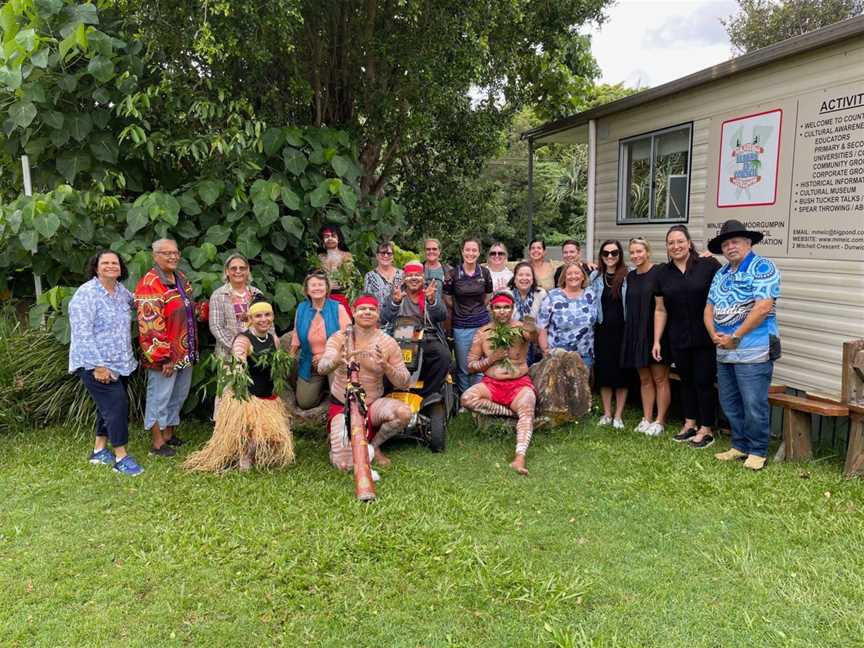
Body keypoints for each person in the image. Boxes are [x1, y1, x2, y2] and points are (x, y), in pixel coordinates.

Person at [705, 220, 781, 471]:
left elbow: (763, 307)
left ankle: (758, 451)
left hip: (754, 348)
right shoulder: (721, 273)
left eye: (735, 241)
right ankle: (739, 445)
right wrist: (713, 333)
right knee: (729, 402)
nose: (730, 247)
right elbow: (709, 308)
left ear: (748, 243)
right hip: (724, 349)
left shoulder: (763, 267)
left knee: (753, 402)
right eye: (725, 244)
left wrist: (735, 336)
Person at [185, 298, 294, 473]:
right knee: (248, 430)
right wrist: (240, 366)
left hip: (267, 396)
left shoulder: (273, 339)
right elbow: (239, 362)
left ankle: (256, 454)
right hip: (247, 397)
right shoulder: (243, 340)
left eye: (267, 315)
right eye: (258, 316)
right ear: (250, 318)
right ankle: (244, 459)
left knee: (270, 435)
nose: (264, 319)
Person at [68, 251, 143, 476]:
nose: (111, 266)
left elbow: (139, 303)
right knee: (117, 405)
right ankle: (121, 457)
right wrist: (97, 366)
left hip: (122, 362)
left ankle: (99, 450)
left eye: (115, 263)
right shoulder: (86, 294)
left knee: (107, 408)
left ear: (120, 268)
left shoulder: (121, 292)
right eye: (105, 263)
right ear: (96, 267)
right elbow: (82, 334)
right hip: (96, 364)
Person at [317, 295, 412, 469]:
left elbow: (404, 382)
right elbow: (321, 368)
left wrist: (386, 366)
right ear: (353, 312)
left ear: (378, 314)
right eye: (362, 309)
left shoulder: (388, 343)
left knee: (403, 413)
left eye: (372, 309)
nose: (367, 312)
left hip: (373, 405)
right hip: (343, 406)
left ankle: (374, 446)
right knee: (344, 465)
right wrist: (336, 360)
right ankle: (341, 440)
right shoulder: (339, 338)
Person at [135, 239, 207, 457]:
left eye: (175, 252)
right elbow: (149, 325)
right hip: (164, 356)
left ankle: (169, 434)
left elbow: (189, 309)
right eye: (167, 253)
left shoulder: (181, 278)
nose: (173, 257)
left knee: (178, 394)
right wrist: (162, 358)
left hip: (184, 351)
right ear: (155, 256)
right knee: (160, 396)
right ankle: (157, 443)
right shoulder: (150, 283)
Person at [653, 226, 722, 448]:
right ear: (667, 247)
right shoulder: (663, 273)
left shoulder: (708, 265)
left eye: (680, 241)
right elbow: (660, 309)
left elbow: (726, 289)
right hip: (678, 337)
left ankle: (707, 428)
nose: (676, 246)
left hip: (705, 336)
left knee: (703, 381)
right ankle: (690, 423)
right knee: (686, 381)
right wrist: (656, 340)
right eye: (671, 243)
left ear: (689, 243)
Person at [461, 291, 537, 475]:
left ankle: (519, 458)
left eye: (506, 307)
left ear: (512, 309)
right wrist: (490, 359)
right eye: (498, 307)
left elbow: (532, 336)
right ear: (491, 309)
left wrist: (531, 325)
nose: (502, 311)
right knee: (466, 398)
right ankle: (511, 414)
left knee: (526, 407)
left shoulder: (521, 329)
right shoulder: (483, 333)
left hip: (519, 384)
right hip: (492, 384)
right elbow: (470, 366)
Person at [620, 237, 670, 438]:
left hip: (655, 333)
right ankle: (647, 418)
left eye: (639, 251)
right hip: (636, 333)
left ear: (648, 252)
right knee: (644, 379)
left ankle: (660, 420)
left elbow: (661, 307)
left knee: (660, 378)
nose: (635, 256)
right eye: (632, 252)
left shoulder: (659, 272)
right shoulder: (630, 277)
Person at [380, 262, 450, 397]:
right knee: (383, 358)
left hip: (427, 334)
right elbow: (384, 318)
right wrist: (395, 303)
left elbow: (442, 315)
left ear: (423, 277)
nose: (414, 278)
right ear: (404, 278)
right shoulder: (397, 292)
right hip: (401, 334)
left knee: (443, 356)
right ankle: (387, 393)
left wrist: (431, 300)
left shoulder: (429, 291)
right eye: (410, 275)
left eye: (417, 275)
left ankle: (427, 395)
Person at [289, 271, 351, 409]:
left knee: (342, 398)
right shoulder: (301, 308)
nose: (317, 288)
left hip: (334, 360)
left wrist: (325, 355)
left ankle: (333, 388)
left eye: (320, 285)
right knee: (305, 403)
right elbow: (296, 334)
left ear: (327, 288)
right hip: (310, 361)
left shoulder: (337, 308)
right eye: (313, 285)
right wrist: (290, 355)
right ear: (307, 289)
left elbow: (348, 337)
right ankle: (323, 388)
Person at [443, 238, 493, 394]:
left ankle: (478, 397)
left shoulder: (484, 272)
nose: (470, 253)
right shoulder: (452, 274)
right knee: (463, 365)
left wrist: (477, 310)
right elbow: (448, 298)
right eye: (467, 250)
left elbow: (488, 295)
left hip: (482, 324)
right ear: (462, 251)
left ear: (479, 253)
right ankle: (465, 399)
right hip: (461, 325)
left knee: (480, 364)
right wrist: (461, 310)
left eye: (474, 250)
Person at [590, 240, 630, 430]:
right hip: (602, 331)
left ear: (620, 255)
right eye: (606, 254)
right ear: (601, 256)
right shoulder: (595, 277)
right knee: (605, 374)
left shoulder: (628, 277)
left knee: (622, 374)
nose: (610, 257)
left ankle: (618, 415)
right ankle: (607, 413)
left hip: (623, 331)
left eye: (614, 253)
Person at [537, 262, 598, 369]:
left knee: (581, 385)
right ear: (564, 277)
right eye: (569, 274)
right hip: (557, 355)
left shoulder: (591, 295)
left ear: (583, 276)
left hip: (584, 355)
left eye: (577, 273)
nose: (573, 276)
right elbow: (542, 326)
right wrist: (545, 350)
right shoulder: (553, 296)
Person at [209, 254, 264, 361]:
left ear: (247, 271)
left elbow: (267, 321)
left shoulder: (257, 293)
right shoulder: (218, 295)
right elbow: (216, 326)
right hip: (229, 355)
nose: (238, 271)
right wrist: (238, 347)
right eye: (233, 268)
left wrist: (264, 344)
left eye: (242, 268)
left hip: (257, 353)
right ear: (227, 271)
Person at [508, 261, 546, 366]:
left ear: (533, 278)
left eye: (528, 275)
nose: (524, 278)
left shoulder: (541, 294)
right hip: (511, 345)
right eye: (520, 275)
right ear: (514, 279)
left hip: (535, 343)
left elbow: (544, 322)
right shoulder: (507, 294)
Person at [317, 224, 355, 314]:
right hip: (322, 297)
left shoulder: (346, 256)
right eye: (326, 236)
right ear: (322, 240)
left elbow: (347, 279)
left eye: (333, 236)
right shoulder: (319, 258)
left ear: (339, 239)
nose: (330, 239)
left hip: (340, 295)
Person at [363, 240, 404, 306]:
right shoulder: (370, 276)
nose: (386, 255)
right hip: (379, 314)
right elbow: (367, 300)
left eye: (389, 253)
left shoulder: (402, 274)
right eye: (382, 253)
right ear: (377, 256)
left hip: (400, 313)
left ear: (393, 256)